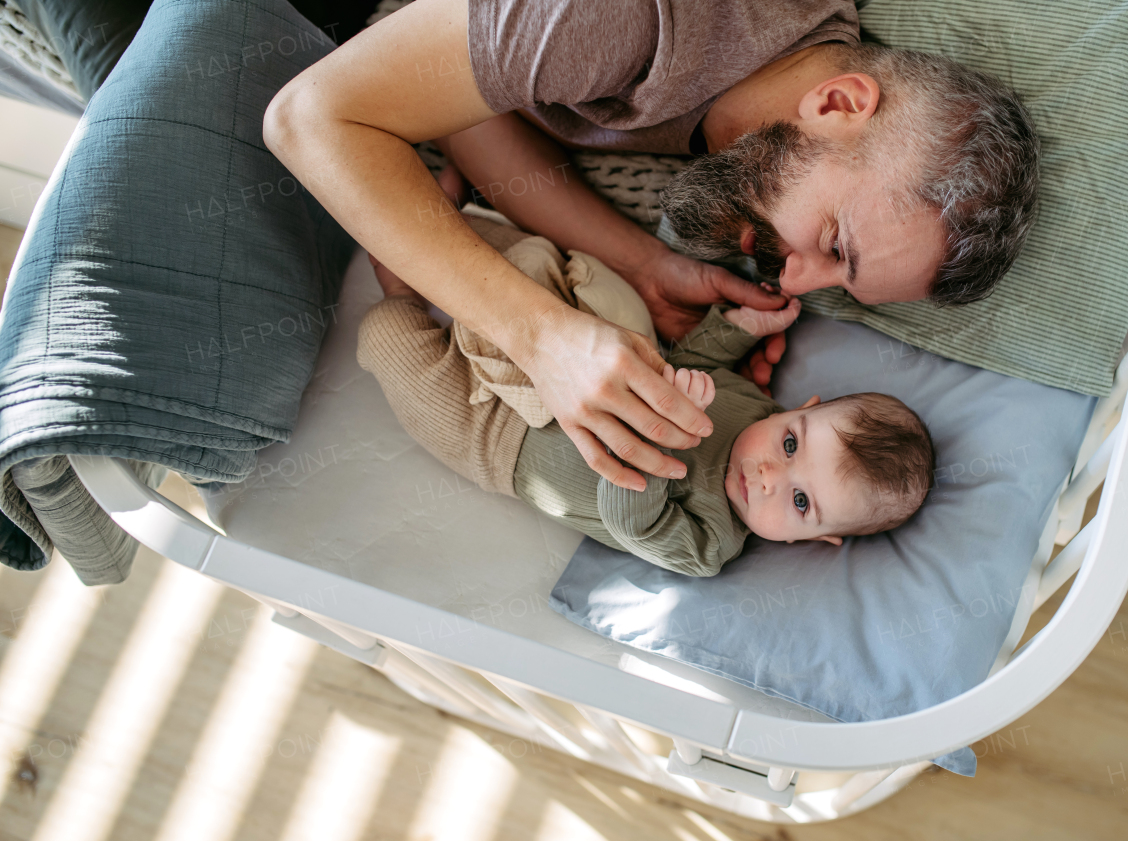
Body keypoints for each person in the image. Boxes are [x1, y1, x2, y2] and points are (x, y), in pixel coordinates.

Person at [263, 0, 1037, 495]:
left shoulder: (775, 70)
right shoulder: (630, 22)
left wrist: (641, 264)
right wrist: (543, 337)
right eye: (834, 242)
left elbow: (461, 107)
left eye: (835, 282)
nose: (795, 278)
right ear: (838, 104)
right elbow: (311, 120)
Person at [357, 215, 934, 576]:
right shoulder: (753, 407)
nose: (766, 475)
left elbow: (633, 521)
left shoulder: (710, 546)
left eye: (800, 503)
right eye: (789, 444)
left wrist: (667, 439)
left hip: (496, 436)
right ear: (799, 411)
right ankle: (435, 224)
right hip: (559, 355)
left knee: (389, 342)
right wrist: (737, 330)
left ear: (818, 539)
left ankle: (404, 292)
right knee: (532, 260)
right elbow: (698, 361)